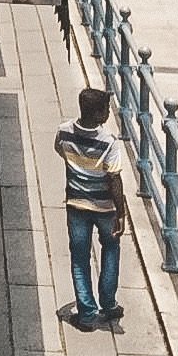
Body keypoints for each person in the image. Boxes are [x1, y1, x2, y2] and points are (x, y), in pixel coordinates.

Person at [56, 86, 129, 331]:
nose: (108, 113)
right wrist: (121, 213)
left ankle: (86, 313)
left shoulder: (64, 131)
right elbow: (114, 179)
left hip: (76, 204)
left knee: (79, 258)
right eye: (106, 109)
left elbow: (60, 151)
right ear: (98, 113)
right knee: (110, 249)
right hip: (105, 207)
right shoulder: (108, 142)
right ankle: (108, 304)